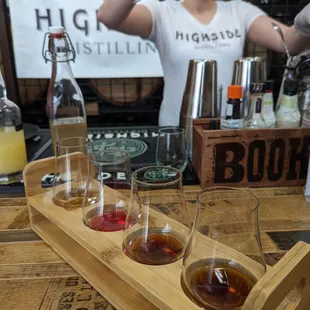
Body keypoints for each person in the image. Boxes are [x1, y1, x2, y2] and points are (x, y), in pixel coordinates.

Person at [97, 0, 310, 126]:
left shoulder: (238, 11)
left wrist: (303, 24)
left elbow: (288, 44)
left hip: (229, 127)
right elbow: (107, 16)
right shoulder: (162, 11)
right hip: (177, 128)